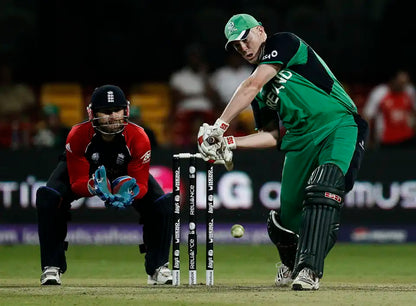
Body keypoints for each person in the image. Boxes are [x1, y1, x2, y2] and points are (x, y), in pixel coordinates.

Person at [197, 14, 368, 290]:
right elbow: (272, 136)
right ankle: (290, 266)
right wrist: (229, 142)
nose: (243, 49)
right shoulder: (262, 92)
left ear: (261, 31)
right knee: (284, 222)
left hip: (337, 126)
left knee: (322, 189)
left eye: (245, 40)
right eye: (236, 46)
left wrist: (219, 126)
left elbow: (250, 85)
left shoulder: (284, 43)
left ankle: (309, 271)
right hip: (298, 143)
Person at [36, 85, 173, 286]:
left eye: (117, 110)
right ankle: (51, 267)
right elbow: (76, 183)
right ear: (93, 113)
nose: (113, 116)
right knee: (48, 197)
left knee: (162, 204)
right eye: (106, 112)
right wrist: (94, 187)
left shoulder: (138, 137)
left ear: (125, 111)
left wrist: (130, 193)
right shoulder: (78, 135)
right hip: (86, 173)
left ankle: (157, 267)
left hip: (125, 172)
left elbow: (142, 184)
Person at [169, 43, 221, 147]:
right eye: (192, 56)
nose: (195, 59)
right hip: (186, 112)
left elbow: (214, 98)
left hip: (206, 112)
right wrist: (201, 94)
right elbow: (176, 98)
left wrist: (205, 77)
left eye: (197, 57)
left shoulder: (208, 77)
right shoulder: (179, 76)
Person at [363, 70, 416, 149]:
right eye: (400, 83)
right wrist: (368, 140)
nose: (403, 86)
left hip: (408, 138)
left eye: (405, 83)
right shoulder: (380, 92)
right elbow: (367, 116)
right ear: (393, 80)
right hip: (386, 140)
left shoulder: (409, 90)